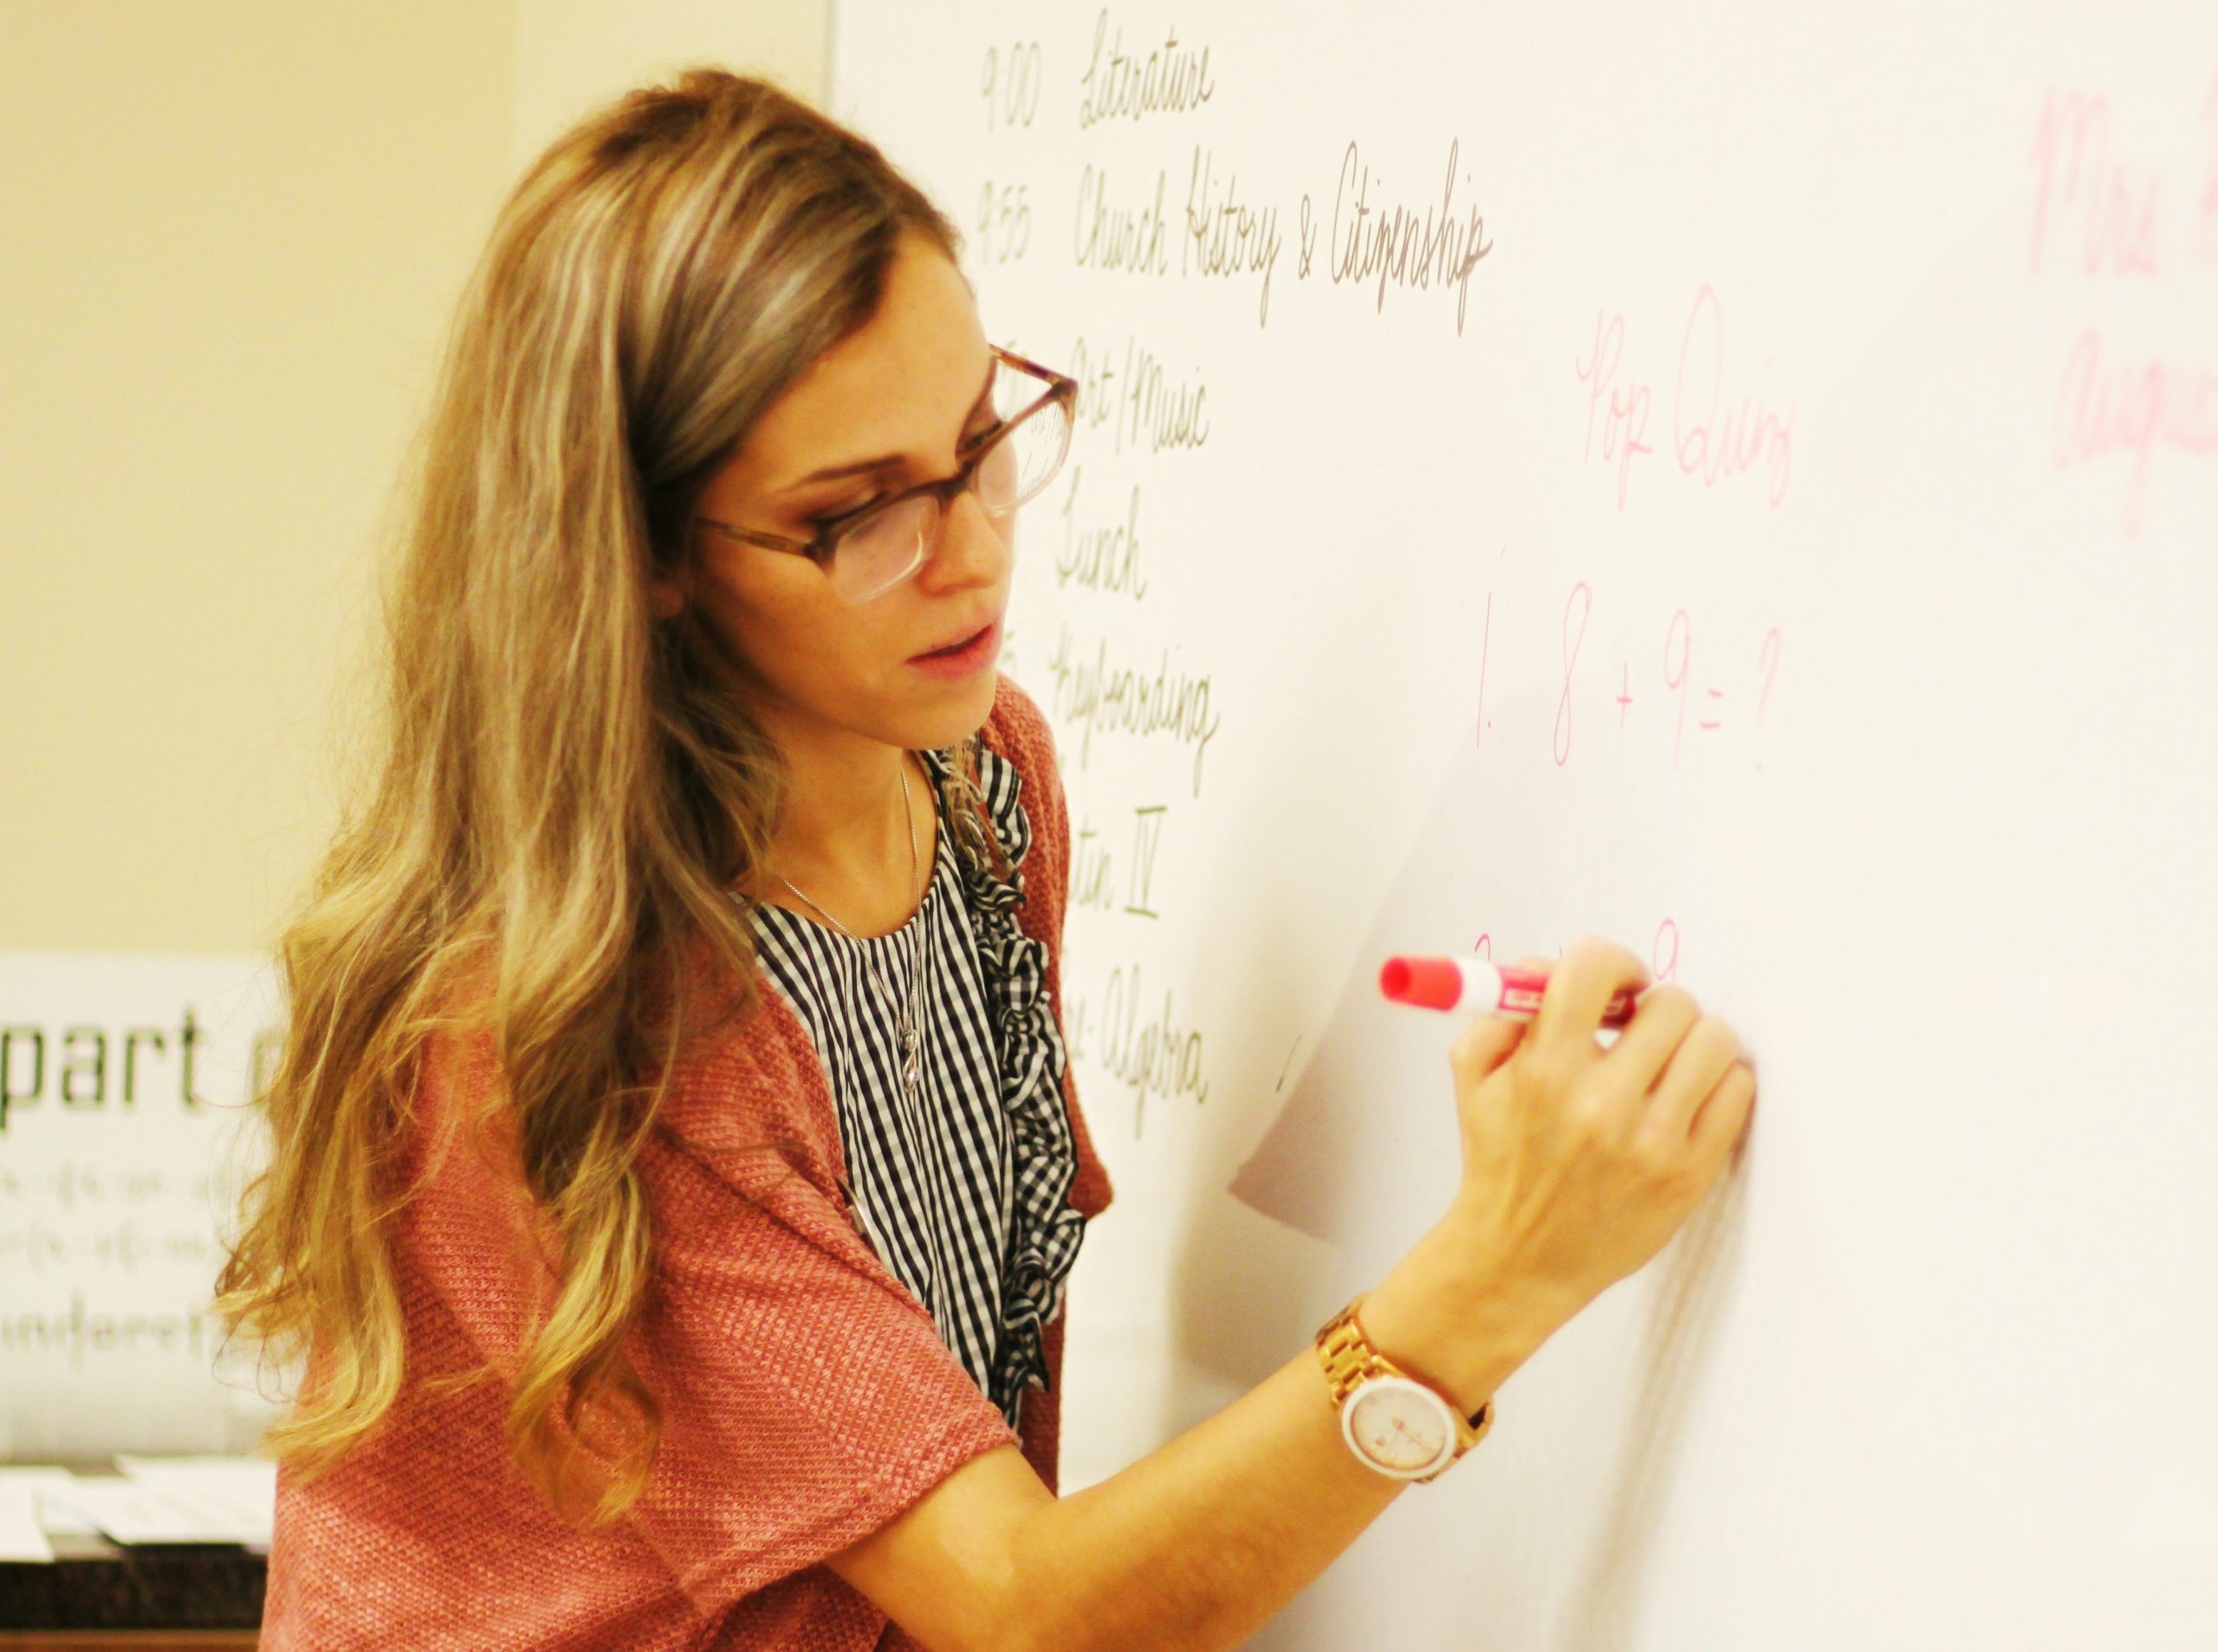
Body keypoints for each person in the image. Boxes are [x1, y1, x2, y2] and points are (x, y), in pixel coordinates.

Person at [211, 67, 1757, 1652]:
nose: (972, 551)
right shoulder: (568, 1027)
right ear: (651, 559)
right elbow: (1022, 1608)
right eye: (858, 512)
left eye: (979, 440)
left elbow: (985, 1425)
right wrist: (1498, 1271)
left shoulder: (982, 782)